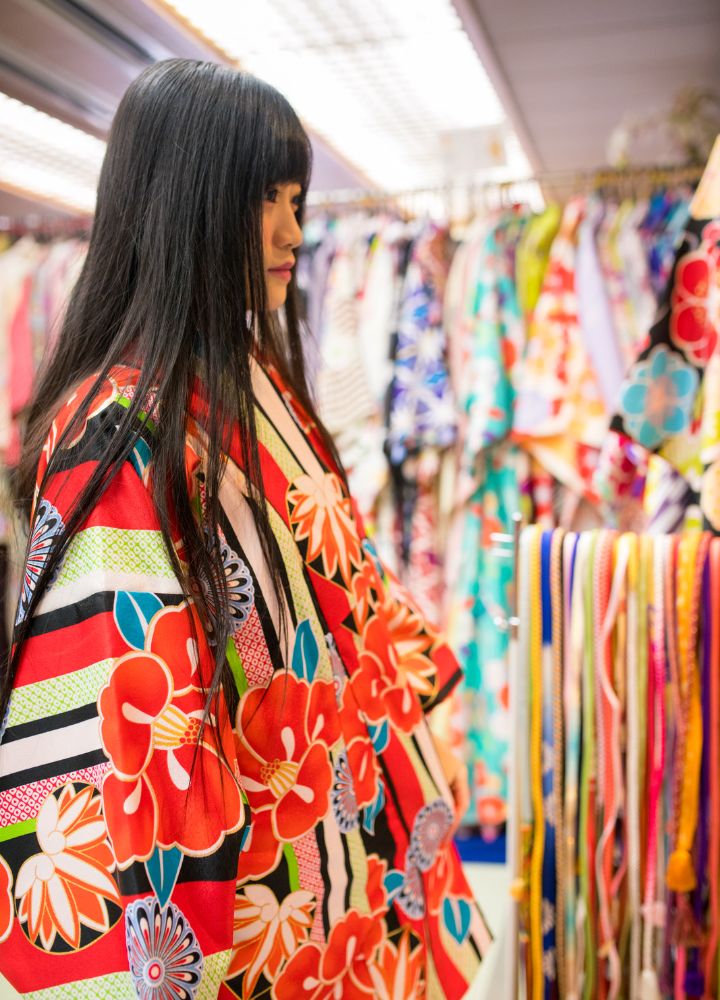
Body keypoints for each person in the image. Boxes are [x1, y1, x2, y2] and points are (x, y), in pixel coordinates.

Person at [0, 59, 489, 998]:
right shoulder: (121, 428)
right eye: (265, 197)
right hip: (257, 907)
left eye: (297, 198)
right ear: (183, 199)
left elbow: (348, 602)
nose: (294, 231)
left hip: (338, 855)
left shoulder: (250, 381)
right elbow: (131, 732)